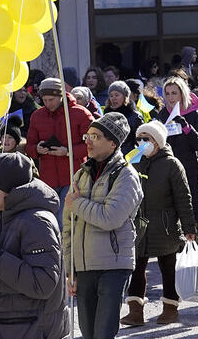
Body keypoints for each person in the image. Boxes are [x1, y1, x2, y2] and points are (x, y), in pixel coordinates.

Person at [0, 152, 64, 339]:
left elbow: (43, 283)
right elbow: (14, 279)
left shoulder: (36, 221)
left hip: (33, 331)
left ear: (7, 187)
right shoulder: (9, 214)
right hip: (18, 328)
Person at [61, 113, 142, 339]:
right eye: (88, 135)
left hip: (113, 266)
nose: (88, 140)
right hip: (84, 267)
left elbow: (111, 218)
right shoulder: (80, 174)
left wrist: (77, 203)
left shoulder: (126, 175)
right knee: (88, 334)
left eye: (95, 136)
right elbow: (68, 227)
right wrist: (70, 269)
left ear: (113, 143)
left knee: (103, 333)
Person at [122, 121, 193, 326]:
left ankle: (170, 308)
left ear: (158, 141)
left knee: (168, 268)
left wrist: (188, 228)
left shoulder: (172, 164)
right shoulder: (133, 161)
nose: (143, 142)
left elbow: (183, 197)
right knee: (136, 268)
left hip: (166, 225)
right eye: (140, 139)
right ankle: (135, 311)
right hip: (139, 225)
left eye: (147, 139)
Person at [25, 78, 92, 218]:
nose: (48, 104)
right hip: (47, 180)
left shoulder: (81, 114)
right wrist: (37, 149)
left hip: (75, 178)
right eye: (44, 100)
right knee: (52, 221)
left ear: (61, 96)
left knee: (67, 222)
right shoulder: (37, 116)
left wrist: (68, 151)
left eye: (51, 99)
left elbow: (92, 145)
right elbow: (29, 146)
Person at [155, 76, 198, 239]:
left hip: (191, 169)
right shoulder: (162, 115)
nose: (170, 98)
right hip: (169, 170)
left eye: (174, 93)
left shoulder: (194, 115)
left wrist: (185, 126)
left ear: (182, 94)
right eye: (167, 94)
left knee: (195, 208)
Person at [102, 82, 141, 153]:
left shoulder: (135, 116)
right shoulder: (106, 116)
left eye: (117, 95)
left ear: (125, 97)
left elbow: (140, 141)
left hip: (128, 157)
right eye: (111, 95)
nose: (113, 98)